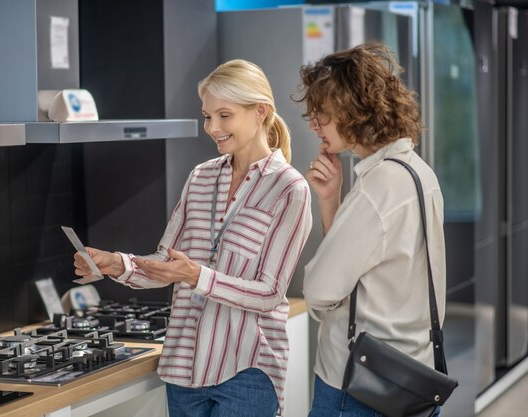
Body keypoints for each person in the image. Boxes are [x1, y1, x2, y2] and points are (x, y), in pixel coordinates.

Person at [74, 59, 312, 417]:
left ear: (260, 111)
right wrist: (116, 264)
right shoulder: (201, 177)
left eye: (224, 115)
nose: (212, 127)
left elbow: (269, 293)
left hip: (246, 370)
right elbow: (166, 264)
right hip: (182, 369)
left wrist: (194, 276)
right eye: (206, 116)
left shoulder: (289, 189)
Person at [298, 43, 446, 416]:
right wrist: (332, 201)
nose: (313, 124)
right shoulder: (418, 173)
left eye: (323, 114)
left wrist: (333, 206)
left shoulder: (377, 187)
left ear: (353, 112)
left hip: (359, 385)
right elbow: (367, 267)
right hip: (412, 378)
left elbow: (318, 290)